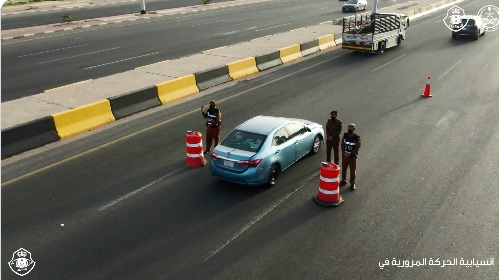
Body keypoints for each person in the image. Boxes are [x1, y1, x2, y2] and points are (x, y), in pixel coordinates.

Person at [340, 123, 361, 190]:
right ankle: (343, 180)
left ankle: (352, 183)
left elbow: (357, 147)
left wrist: (350, 154)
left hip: (352, 157)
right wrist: (343, 152)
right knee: (344, 168)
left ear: (354, 129)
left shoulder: (357, 137)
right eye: (349, 128)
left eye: (351, 128)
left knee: (352, 171)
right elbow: (342, 144)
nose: (349, 129)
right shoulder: (345, 135)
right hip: (345, 156)